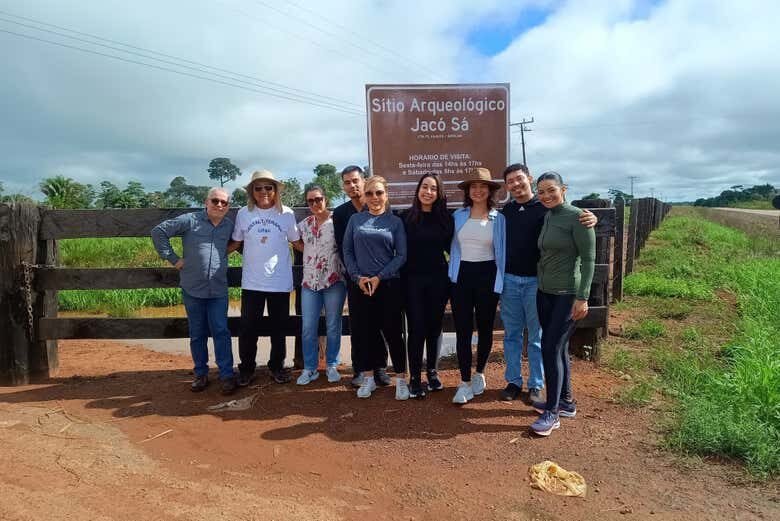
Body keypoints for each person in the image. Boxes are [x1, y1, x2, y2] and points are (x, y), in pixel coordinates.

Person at [499, 164, 596, 403]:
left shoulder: (546, 207)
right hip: (510, 281)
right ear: (506, 186)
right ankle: (513, 381)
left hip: (537, 282)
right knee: (511, 334)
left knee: (536, 336)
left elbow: (571, 217)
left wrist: (593, 217)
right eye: (510, 181)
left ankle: (536, 384)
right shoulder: (506, 211)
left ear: (529, 179)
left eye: (519, 179)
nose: (516, 184)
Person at [151, 187, 236, 395]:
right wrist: (174, 259)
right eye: (215, 201)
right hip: (192, 287)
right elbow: (158, 232)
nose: (219, 205)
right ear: (206, 202)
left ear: (228, 206)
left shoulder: (229, 225)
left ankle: (226, 375)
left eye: (224, 202)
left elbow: (240, 242)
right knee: (197, 333)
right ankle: (200, 374)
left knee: (221, 331)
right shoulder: (190, 220)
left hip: (218, 288)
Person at [529, 171, 596, 437]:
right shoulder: (548, 216)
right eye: (541, 191)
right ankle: (566, 402)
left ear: (563, 189)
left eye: (551, 190)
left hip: (567, 294)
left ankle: (552, 413)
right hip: (545, 292)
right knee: (559, 347)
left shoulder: (579, 218)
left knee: (550, 348)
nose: (546, 195)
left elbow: (589, 259)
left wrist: (583, 297)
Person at [231, 170, 301, 386]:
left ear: (275, 190)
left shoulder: (286, 214)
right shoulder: (244, 213)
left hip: (280, 282)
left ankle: (277, 366)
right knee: (248, 328)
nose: (264, 191)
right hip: (252, 282)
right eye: (258, 188)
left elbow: (297, 243)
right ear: (252, 191)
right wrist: (210, 254)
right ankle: (246, 369)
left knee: (279, 329)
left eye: (268, 187)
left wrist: (324, 252)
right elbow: (236, 243)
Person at [342, 176, 408, 399]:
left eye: (379, 192)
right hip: (361, 286)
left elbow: (401, 255)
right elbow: (347, 251)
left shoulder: (395, 222)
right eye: (369, 193)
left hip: (388, 285)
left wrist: (380, 277)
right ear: (364, 196)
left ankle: (401, 380)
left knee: (393, 333)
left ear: (386, 195)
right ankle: (368, 378)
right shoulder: (355, 220)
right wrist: (357, 277)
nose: (374, 197)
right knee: (365, 333)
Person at [448, 167, 506, 405]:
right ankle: (464, 382)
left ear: (490, 190)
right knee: (462, 330)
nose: (478, 190)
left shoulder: (499, 219)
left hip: (488, 275)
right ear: (468, 191)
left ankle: (480, 372)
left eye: (483, 186)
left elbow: (503, 250)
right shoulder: (457, 216)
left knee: (485, 327)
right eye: (474, 186)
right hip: (461, 276)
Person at [332, 165, 391, 388]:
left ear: (363, 181)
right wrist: (356, 276)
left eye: (355, 181)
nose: (352, 186)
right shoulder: (341, 213)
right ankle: (359, 369)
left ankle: (380, 367)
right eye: (347, 182)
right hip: (356, 277)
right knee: (358, 324)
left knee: (381, 321)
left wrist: (380, 274)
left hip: (381, 276)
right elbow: (343, 248)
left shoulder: (380, 205)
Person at [402, 173, 453, 398]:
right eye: (425, 187)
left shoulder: (446, 219)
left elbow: (454, 249)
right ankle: (414, 377)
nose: (428, 192)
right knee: (416, 328)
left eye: (433, 188)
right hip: (411, 281)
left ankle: (432, 372)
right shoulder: (405, 217)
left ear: (439, 193)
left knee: (434, 327)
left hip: (439, 279)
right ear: (418, 189)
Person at [294, 185, 346, 385]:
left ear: (325, 199)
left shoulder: (337, 221)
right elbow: (294, 240)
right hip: (309, 282)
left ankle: (332, 364)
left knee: (333, 325)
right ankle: (310, 368)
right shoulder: (304, 224)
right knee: (308, 327)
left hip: (334, 280)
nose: (315, 203)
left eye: (318, 199)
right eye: (311, 200)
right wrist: (308, 252)